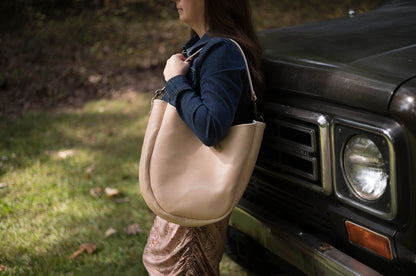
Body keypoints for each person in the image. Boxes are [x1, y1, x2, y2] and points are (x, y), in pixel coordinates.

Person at [142, 0, 263, 274]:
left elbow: (212, 128)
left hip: (195, 195)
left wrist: (175, 82)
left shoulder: (222, 53)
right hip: (187, 189)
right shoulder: (203, 47)